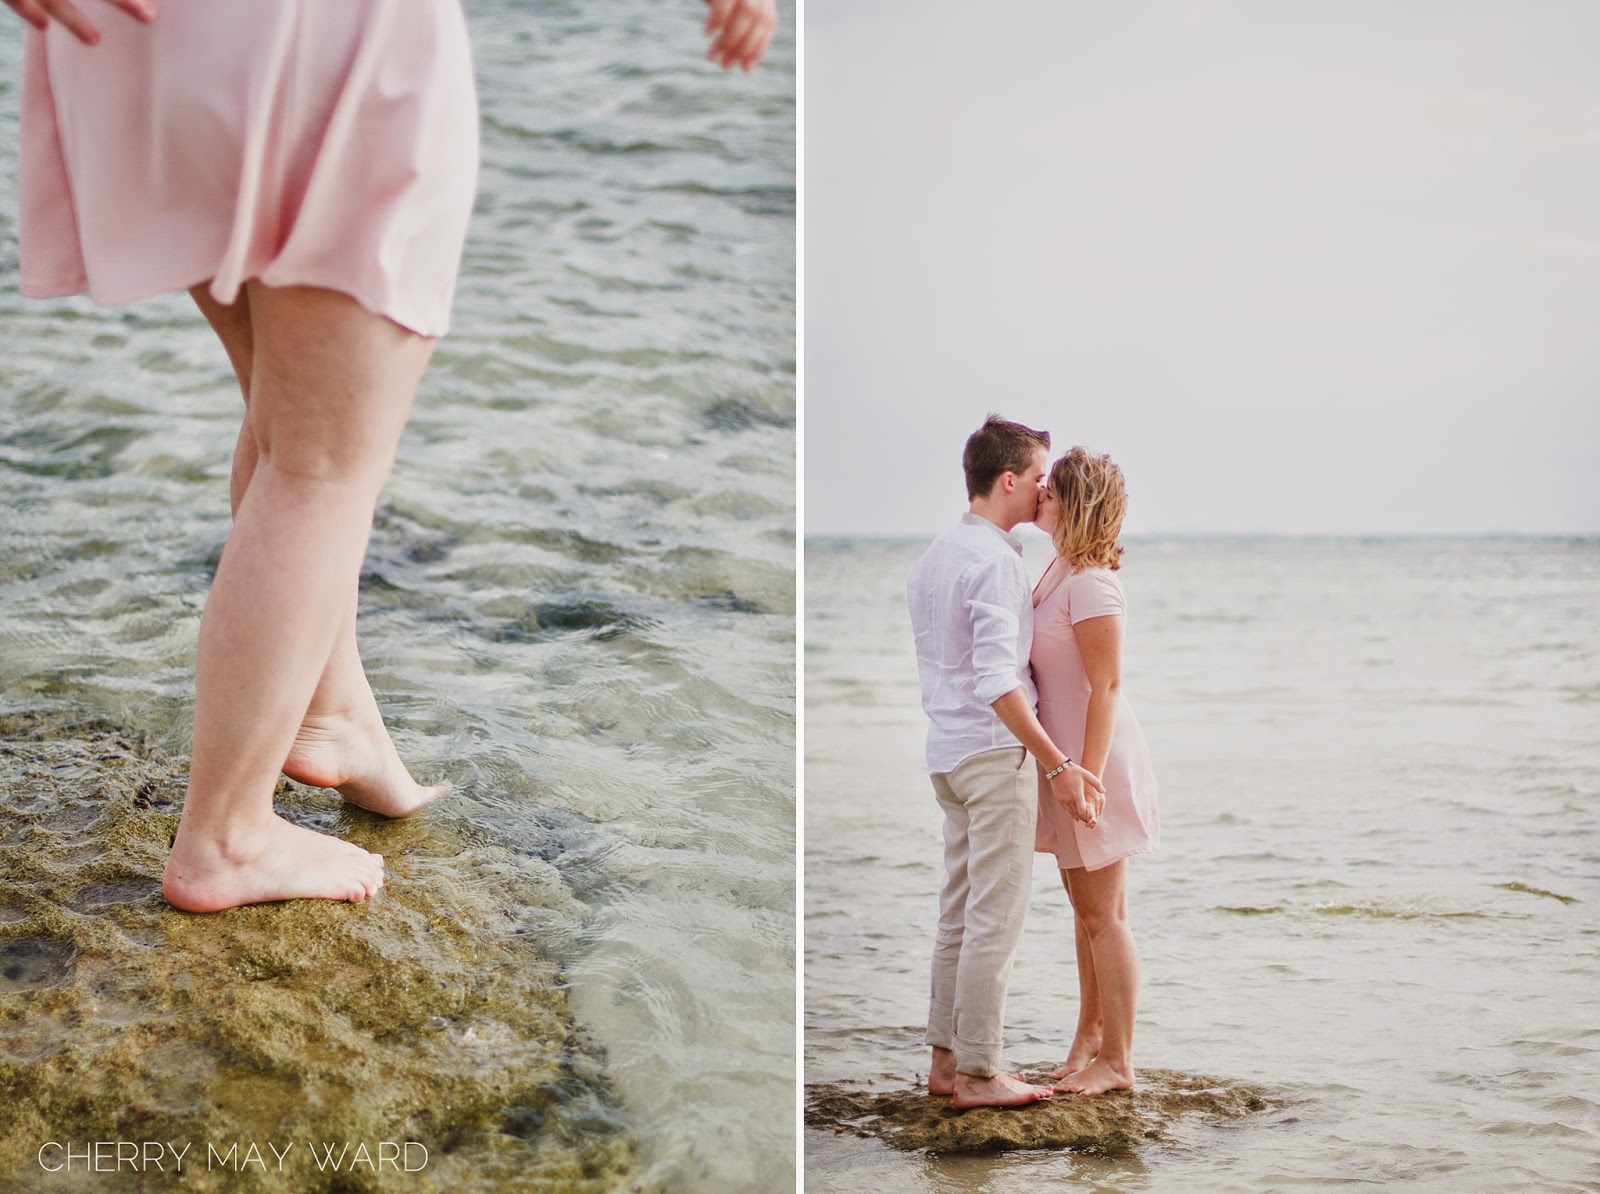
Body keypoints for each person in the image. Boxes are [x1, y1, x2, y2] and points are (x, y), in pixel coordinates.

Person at [6, 0, 778, 913]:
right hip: (324, 36)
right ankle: (225, 836)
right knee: (323, 464)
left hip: (155, 44)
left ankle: (334, 715)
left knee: (288, 414)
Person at [905, 415, 1105, 1109]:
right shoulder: (994, 561)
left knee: (958, 913)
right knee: (996, 915)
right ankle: (981, 1075)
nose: (1047, 489)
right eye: (1041, 477)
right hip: (994, 756)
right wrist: (1057, 763)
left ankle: (945, 1062)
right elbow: (996, 679)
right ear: (1010, 480)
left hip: (946, 754)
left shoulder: (937, 554)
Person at [1030, 447, 1159, 1095]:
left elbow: (1106, 687)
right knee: (1086, 913)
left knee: (1105, 916)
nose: (1039, 495)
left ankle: (1120, 1062)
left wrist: (1091, 777)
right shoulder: (1059, 569)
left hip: (1092, 764)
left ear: (1074, 503)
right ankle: (1090, 1036)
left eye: (1050, 490)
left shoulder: (1092, 583)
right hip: (1067, 766)